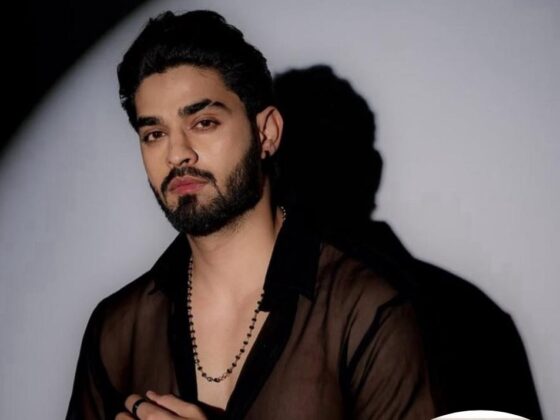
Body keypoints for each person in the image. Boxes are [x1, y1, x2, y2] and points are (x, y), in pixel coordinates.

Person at [66, 10, 434, 420]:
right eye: (154, 134)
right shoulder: (117, 329)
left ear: (266, 133)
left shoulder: (367, 310)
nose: (177, 154)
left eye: (204, 122)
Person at [273, 65, 543, 420]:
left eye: (320, 161)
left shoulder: (242, 321)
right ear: (373, 172)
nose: (305, 188)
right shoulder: (476, 321)